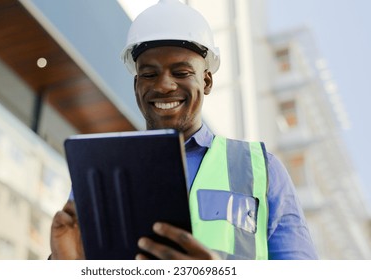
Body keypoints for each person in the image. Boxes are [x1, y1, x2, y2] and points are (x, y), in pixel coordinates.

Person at [50, 0, 318, 260]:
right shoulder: (101, 171)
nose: (164, 85)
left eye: (181, 72)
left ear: (207, 81)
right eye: (149, 74)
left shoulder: (261, 170)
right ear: (136, 87)